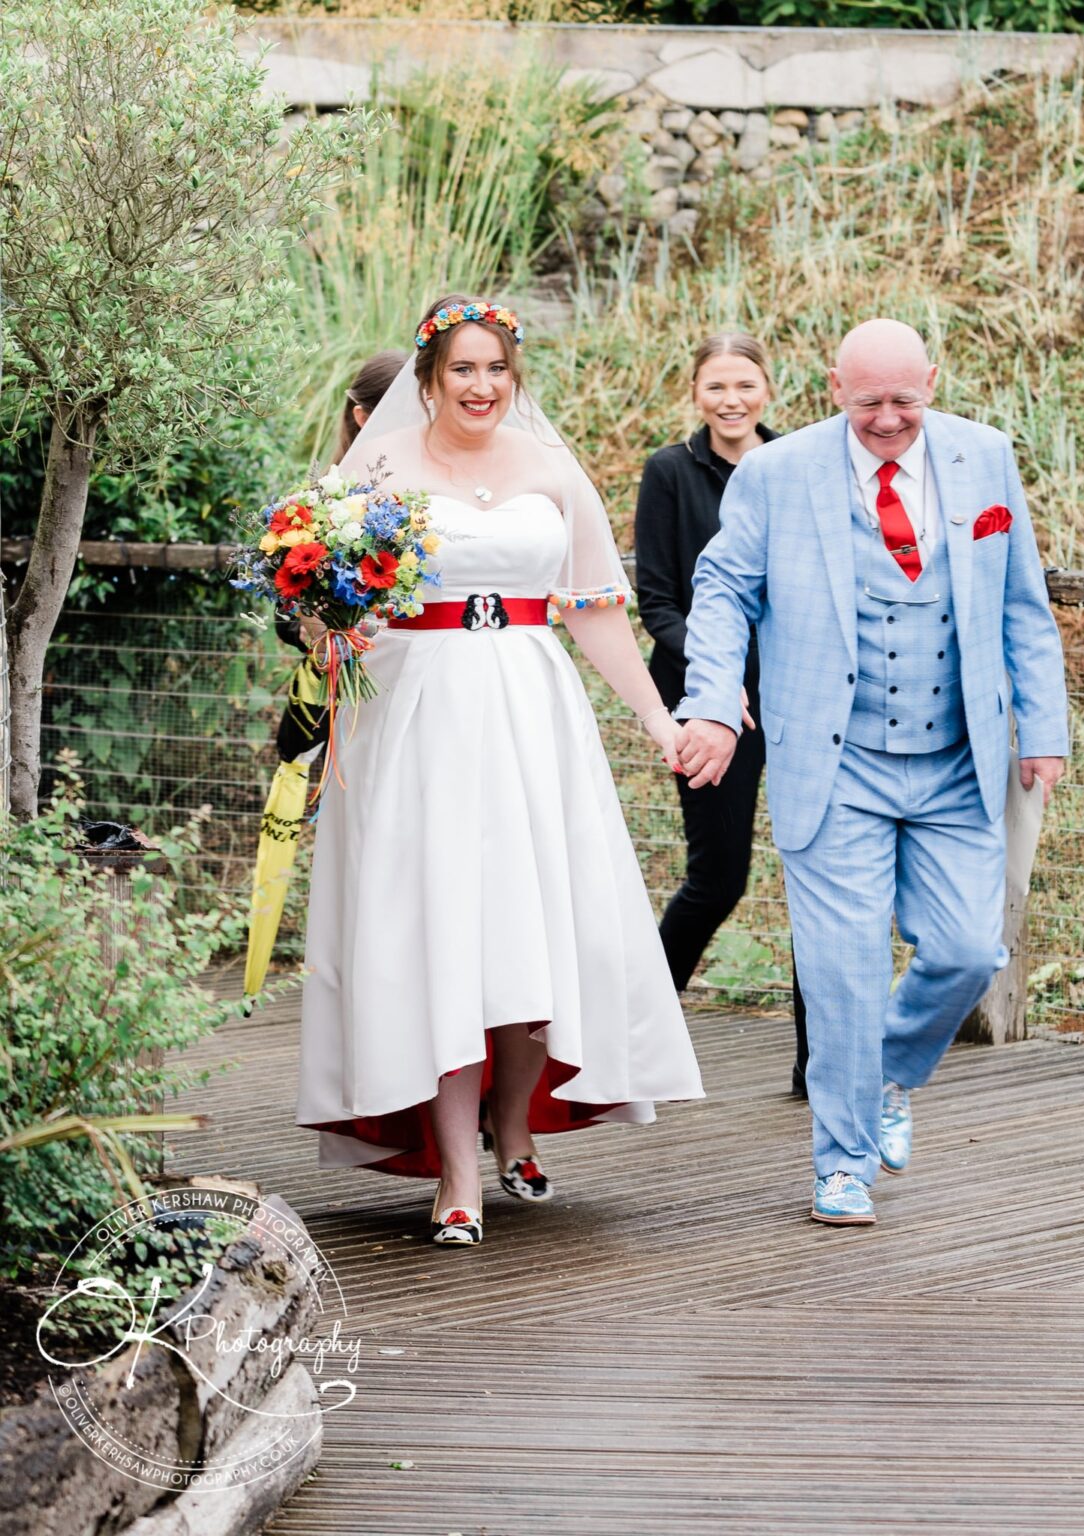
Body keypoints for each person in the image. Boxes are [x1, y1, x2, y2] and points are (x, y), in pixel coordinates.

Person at [296, 294, 704, 1246]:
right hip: (417, 712)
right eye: (461, 371)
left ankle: (514, 1120)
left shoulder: (552, 470)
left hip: (529, 705)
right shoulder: (378, 468)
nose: (481, 387)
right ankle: (454, 1172)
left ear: (513, 377)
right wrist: (333, 626)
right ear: (427, 379)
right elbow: (322, 596)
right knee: (437, 931)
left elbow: (596, 609)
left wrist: (656, 719)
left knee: (528, 921)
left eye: (496, 370)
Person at [675, 318, 1067, 1228]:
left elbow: (1022, 604)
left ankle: (889, 1068)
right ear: (831, 388)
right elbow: (724, 589)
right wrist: (710, 700)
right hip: (834, 761)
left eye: (904, 400)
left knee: (970, 949)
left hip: (955, 760)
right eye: (867, 404)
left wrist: (1042, 728)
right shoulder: (777, 475)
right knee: (843, 972)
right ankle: (841, 1162)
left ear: (931, 380)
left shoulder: (985, 457)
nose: (888, 420)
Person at [634, 334, 808, 1095]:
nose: (731, 400)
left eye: (744, 384)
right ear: (695, 392)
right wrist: (716, 683)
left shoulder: (798, 468)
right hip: (706, 708)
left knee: (820, 881)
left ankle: (820, 1065)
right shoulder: (670, 473)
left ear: (767, 388)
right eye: (715, 386)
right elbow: (660, 603)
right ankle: (638, 1043)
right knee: (717, 877)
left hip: (801, 701)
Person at [273, 349, 410, 758]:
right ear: (363, 418)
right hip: (358, 692)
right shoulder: (327, 503)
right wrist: (320, 627)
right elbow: (287, 609)